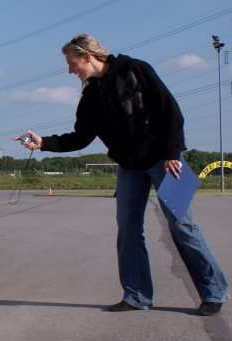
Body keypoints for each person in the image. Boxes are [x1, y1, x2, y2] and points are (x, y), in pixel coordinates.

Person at [15, 34, 228, 316]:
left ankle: (214, 292)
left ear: (87, 56)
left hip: (166, 161)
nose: (70, 70)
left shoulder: (135, 69)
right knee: (128, 229)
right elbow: (80, 137)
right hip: (130, 167)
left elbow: (170, 111)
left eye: (72, 63)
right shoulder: (91, 96)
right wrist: (44, 143)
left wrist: (172, 152)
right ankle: (137, 296)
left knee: (182, 226)